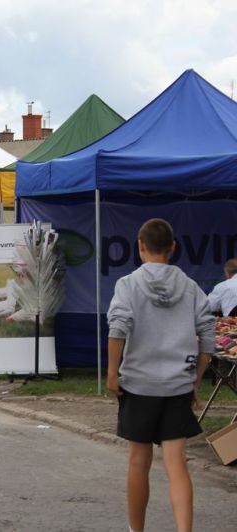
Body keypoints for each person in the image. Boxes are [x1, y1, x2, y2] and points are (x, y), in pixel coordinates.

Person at [107, 218, 214, 532]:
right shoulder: (192, 288)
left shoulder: (127, 285)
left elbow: (117, 329)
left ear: (140, 246)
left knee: (138, 462)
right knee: (177, 463)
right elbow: (207, 336)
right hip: (177, 385)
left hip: (138, 385)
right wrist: (195, 380)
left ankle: (136, 530)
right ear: (173, 248)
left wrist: (112, 373)